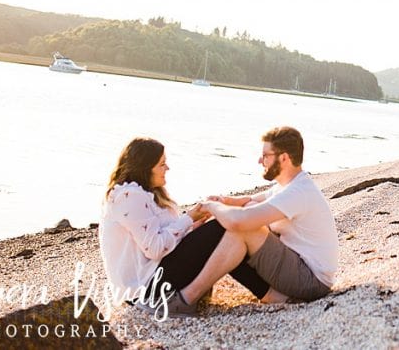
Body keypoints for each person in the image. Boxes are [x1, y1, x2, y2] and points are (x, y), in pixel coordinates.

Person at [163, 126, 339, 317]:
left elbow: (241, 222)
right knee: (242, 216)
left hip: (310, 281)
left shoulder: (297, 192)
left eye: (265, 155)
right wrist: (224, 201)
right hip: (301, 271)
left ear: (284, 158)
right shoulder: (290, 186)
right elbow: (253, 200)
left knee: (243, 228)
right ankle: (269, 296)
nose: (259, 160)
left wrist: (211, 207)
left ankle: (186, 299)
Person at [98, 137, 269, 317]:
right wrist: (188, 218)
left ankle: (268, 292)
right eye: (161, 164)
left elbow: (162, 234)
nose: (167, 168)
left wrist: (194, 223)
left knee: (223, 231)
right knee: (222, 227)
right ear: (145, 168)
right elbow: (155, 248)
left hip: (156, 274)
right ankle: (267, 292)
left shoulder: (145, 193)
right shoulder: (127, 196)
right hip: (146, 289)